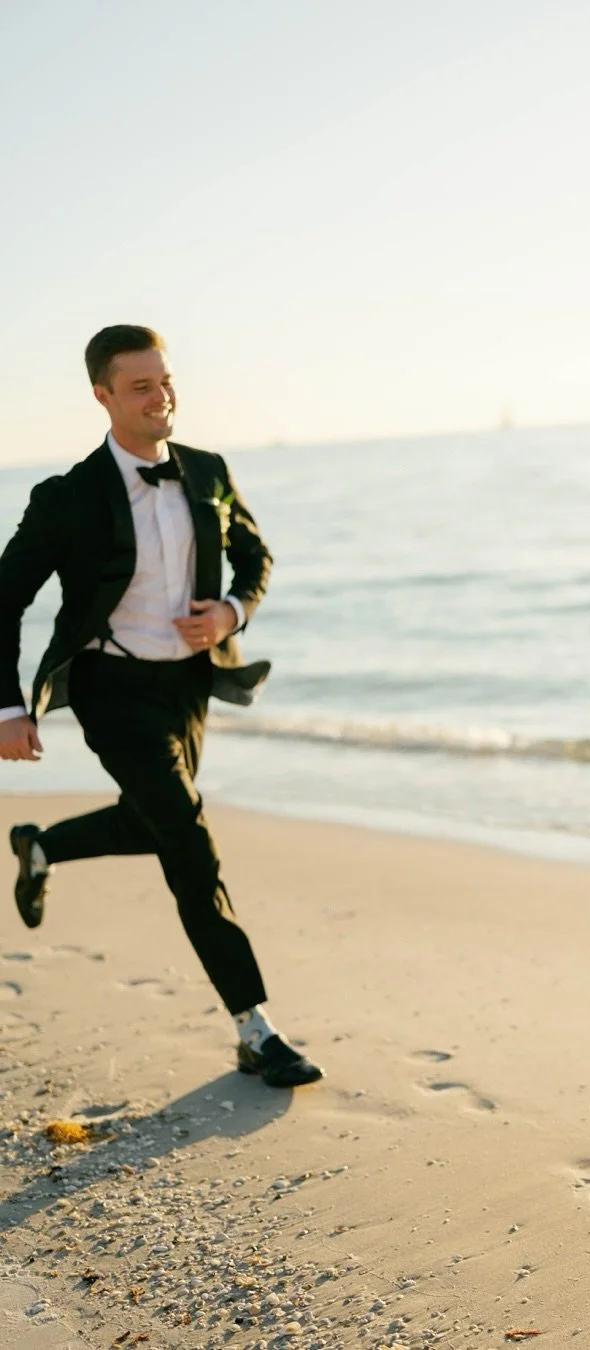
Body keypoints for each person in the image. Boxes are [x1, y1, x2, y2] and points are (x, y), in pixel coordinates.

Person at [0, 325, 323, 1089]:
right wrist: (7, 708)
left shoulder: (207, 471)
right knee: (188, 842)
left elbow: (256, 557)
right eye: (140, 386)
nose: (160, 396)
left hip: (188, 687)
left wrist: (230, 616)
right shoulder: (67, 498)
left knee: (155, 821)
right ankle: (254, 1027)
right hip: (112, 692)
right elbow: (4, 599)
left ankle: (39, 847)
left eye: (165, 380)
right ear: (103, 396)